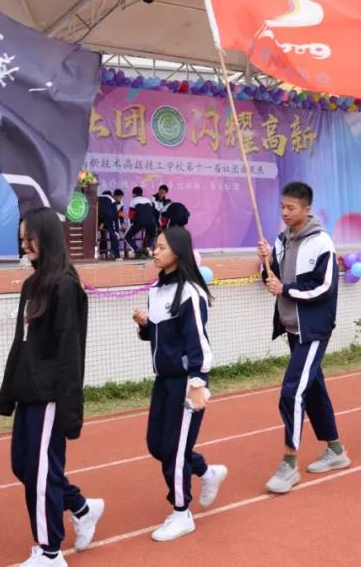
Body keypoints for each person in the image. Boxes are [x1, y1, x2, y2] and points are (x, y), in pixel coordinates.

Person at [0, 207, 104, 567]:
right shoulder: (33, 285)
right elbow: (21, 342)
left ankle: (49, 552)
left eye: (30, 238)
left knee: (41, 474)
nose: (24, 245)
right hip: (28, 395)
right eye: (22, 238)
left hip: (50, 398)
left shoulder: (65, 286)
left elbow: (70, 353)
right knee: (25, 467)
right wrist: (9, 392)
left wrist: (69, 408)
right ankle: (81, 507)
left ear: (47, 238)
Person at [133, 226, 227, 542]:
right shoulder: (155, 290)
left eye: (161, 247)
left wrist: (197, 382)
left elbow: (198, 341)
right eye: (155, 246)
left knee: (174, 449)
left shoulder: (191, 293)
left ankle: (181, 512)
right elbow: (161, 336)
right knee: (157, 445)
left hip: (188, 381)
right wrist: (145, 327)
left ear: (178, 251)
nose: (155, 251)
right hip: (164, 380)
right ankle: (206, 472)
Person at [257, 182, 349, 494]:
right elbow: (272, 279)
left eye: (290, 208)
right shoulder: (281, 240)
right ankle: (336, 450)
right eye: (282, 207)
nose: (284, 212)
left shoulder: (322, 242)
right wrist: (267, 262)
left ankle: (289, 464)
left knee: (292, 392)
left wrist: (286, 289)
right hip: (292, 327)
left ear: (307, 209)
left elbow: (325, 287)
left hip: (314, 329)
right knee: (314, 391)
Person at [126, 187, 158, 258]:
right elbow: (154, 212)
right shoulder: (148, 200)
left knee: (127, 236)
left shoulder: (133, 200)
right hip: (152, 222)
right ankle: (147, 249)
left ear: (134, 194)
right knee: (152, 235)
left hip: (139, 222)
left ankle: (137, 251)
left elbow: (131, 215)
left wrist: (129, 226)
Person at [97, 190, 120, 260]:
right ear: (111, 195)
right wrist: (117, 231)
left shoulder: (98, 198)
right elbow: (115, 216)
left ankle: (102, 253)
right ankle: (116, 255)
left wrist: (101, 223)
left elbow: (99, 211)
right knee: (113, 235)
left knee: (103, 235)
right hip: (108, 219)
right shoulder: (112, 200)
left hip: (98, 220)